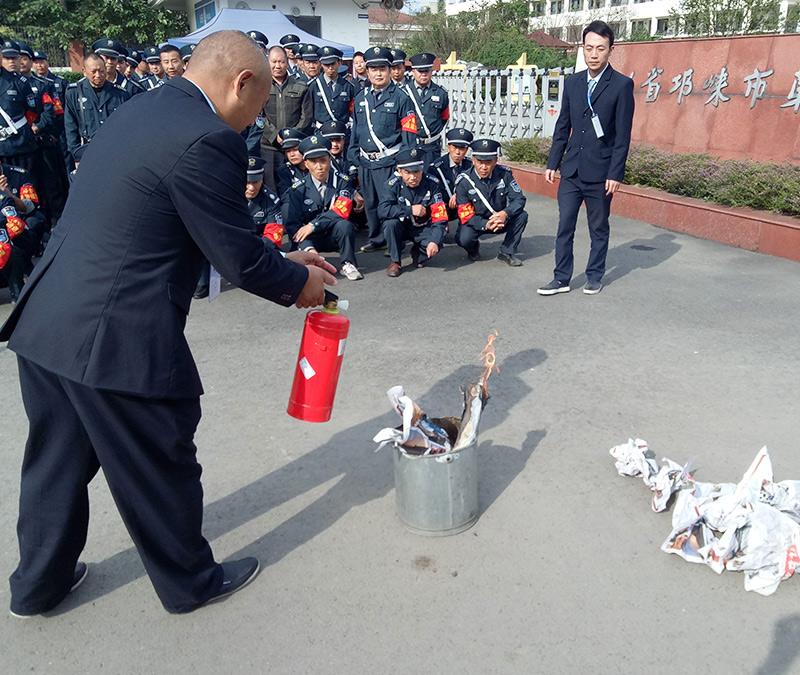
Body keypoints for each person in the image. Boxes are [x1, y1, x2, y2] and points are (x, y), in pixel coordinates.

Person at [0, 29, 337, 617]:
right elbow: (236, 258)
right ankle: (190, 583)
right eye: (257, 111)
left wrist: (283, 259)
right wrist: (295, 282)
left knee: (55, 462)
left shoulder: (146, 108)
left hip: (50, 319)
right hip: (113, 333)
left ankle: (38, 585)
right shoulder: (208, 138)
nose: (254, 126)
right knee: (160, 456)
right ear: (242, 83)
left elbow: (203, 226)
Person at [538, 20, 634, 296]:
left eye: (600, 49)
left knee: (598, 227)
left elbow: (622, 136)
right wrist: (552, 163)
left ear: (610, 50)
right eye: (589, 48)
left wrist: (616, 173)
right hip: (571, 170)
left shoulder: (621, 85)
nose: (594, 54)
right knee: (564, 225)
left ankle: (594, 276)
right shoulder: (574, 82)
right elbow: (563, 125)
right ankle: (561, 278)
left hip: (601, 173)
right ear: (583, 48)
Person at [347, 46, 417, 253]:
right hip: (366, 162)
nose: (378, 73)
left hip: (390, 161)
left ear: (389, 70)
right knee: (370, 203)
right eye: (374, 69)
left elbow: (409, 134)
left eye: (383, 69)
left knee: (390, 201)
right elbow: (356, 128)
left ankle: (394, 239)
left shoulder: (401, 98)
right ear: (367, 72)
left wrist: (404, 163)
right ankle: (377, 238)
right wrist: (353, 154)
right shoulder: (360, 98)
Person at [283, 135, 363, 281]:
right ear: (306, 164)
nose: (319, 167)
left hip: (331, 233)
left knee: (345, 225)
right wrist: (309, 249)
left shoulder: (342, 181)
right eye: (313, 162)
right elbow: (294, 226)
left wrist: (313, 225)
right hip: (309, 239)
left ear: (329, 161)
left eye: (323, 161)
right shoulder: (297, 189)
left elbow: (341, 210)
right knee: (300, 234)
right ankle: (311, 258)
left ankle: (348, 264)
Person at [455, 138, 527, 266]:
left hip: (500, 219)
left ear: (495, 161)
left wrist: (505, 213)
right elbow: (465, 215)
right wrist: (486, 224)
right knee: (463, 238)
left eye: (488, 162)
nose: (483, 167)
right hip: (476, 222)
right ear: (473, 160)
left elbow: (519, 199)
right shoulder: (464, 181)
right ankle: (473, 250)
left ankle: (506, 252)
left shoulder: (505, 175)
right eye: (479, 162)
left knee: (522, 215)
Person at [379, 147, 448, 277]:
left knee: (438, 239)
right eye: (407, 172)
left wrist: (434, 241)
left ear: (422, 169)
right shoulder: (391, 185)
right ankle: (395, 262)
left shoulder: (432, 183)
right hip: (401, 227)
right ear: (399, 171)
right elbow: (382, 210)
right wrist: (409, 210)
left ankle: (418, 252)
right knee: (389, 224)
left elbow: (440, 216)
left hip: (421, 227)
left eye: (416, 172)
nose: (413, 177)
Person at [260, 46, 313, 192]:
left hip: (295, 148)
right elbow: (258, 116)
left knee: (297, 189)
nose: (278, 66)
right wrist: (274, 134)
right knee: (272, 188)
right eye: (274, 61)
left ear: (288, 63)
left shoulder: (300, 87)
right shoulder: (260, 87)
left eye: (282, 62)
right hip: (270, 148)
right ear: (267, 62)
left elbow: (307, 116)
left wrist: (292, 138)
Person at [63, 54, 129, 163]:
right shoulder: (74, 93)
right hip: (87, 152)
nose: (98, 75)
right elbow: (70, 127)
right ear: (84, 71)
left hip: (115, 151)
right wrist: (77, 155)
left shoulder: (119, 94)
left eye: (102, 71)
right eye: (93, 71)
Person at [404, 53, 450, 169]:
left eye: (427, 71)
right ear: (413, 71)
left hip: (431, 147)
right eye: (420, 71)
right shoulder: (403, 93)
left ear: (431, 71)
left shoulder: (441, 93)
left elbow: (444, 118)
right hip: (409, 145)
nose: (423, 74)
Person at [0, 40, 39, 175]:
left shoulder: (19, 82)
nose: (10, 61)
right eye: (7, 58)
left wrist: (19, 128)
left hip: (20, 144)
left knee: (26, 187)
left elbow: (32, 111)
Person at [429, 127, 473, 227]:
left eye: (462, 148)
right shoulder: (436, 168)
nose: (457, 152)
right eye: (454, 147)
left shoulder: (471, 166)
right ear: (448, 147)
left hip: (465, 204)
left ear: (466, 150)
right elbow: (433, 194)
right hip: (444, 206)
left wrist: (460, 194)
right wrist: (441, 219)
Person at [245, 156, 284, 247]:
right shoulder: (228, 196)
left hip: (260, 247)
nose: (251, 188)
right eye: (248, 182)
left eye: (255, 182)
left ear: (262, 179)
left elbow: (274, 236)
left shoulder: (271, 200)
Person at [312, 47, 355, 130]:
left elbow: (352, 112)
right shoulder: (314, 86)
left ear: (339, 63)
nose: (330, 68)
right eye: (326, 65)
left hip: (341, 131)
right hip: (321, 131)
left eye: (333, 64)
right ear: (321, 64)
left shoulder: (347, 86)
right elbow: (309, 113)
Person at [276, 127, 308, 195]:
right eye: (288, 151)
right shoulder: (284, 170)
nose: (292, 154)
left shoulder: (314, 166)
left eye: (295, 150)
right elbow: (285, 196)